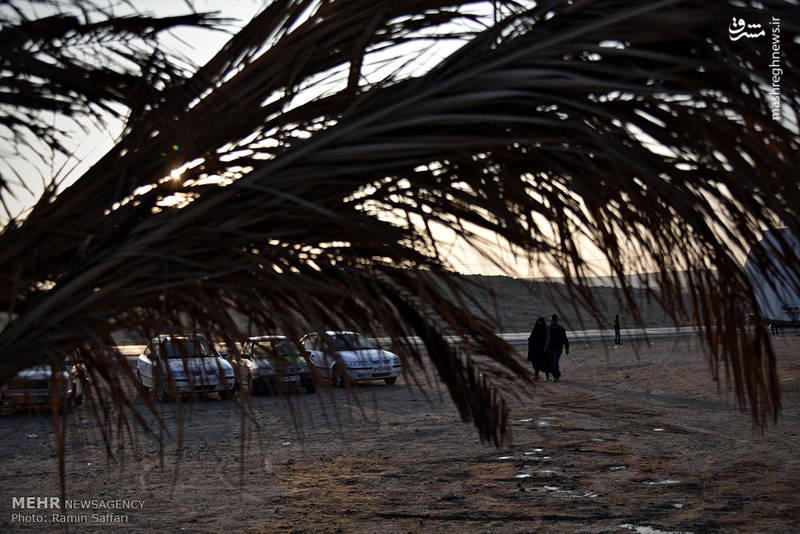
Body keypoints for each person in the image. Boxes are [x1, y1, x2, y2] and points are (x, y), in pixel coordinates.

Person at [544, 314, 569, 382]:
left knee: (555, 362)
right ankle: (555, 375)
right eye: (551, 320)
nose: (552, 321)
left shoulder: (561, 329)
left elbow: (565, 339)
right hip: (549, 348)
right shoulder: (548, 328)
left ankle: (556, 377)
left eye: (553, 320)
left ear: (556, 320)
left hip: (558, 348)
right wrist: (545, 347)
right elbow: (545, 338)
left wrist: (567, 348)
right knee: (551, 363)